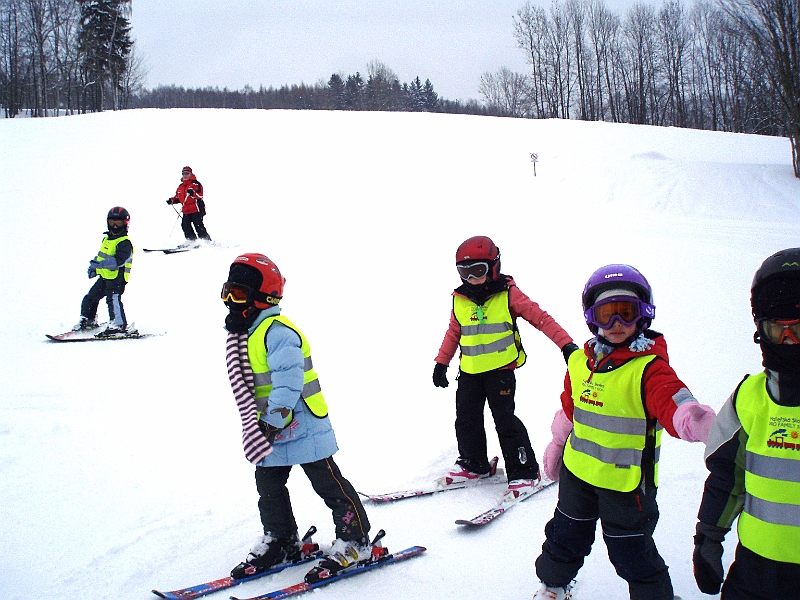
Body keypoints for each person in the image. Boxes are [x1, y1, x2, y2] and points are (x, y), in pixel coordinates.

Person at [533, 264, 716, 600]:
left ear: (643, 315)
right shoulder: (580, 363)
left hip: (626, 485)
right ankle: (553, 583)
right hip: (577, 476)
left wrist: (699, 422)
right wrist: (558, 444)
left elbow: (674, 401)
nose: (616, 324)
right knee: (564, 536)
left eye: (626, 313)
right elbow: (570, 411)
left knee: (632, 552)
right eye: (606, 315)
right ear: (592, 319)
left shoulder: (649, 369)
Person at [222, 253, 382, 585]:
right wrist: (267, 423)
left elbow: (289, 382)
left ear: (263, 298)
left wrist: (272, 420)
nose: (230, 303)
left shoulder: (278, 332)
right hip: (270, 426)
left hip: (301, 424)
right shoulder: (248, 333)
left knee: (328, 483)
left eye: (238, 295)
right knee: (268, 486)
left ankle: (355, 540)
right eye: (227, 293)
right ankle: (281, 539)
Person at [432, 235, 578, 498]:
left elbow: (541, 319)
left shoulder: (508, 294)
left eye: (478, 270)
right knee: (466, 418)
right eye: (464, 272)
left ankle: (524, 471)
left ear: (494, 267)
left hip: (500, 372)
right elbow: (454, 332)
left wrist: (565, 344)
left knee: (505, 420)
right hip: (469, 372)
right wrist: (442, 363)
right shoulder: (460, 299)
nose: (471, 278)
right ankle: (473, 463)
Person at [693, 248, 800, 599]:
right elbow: (727, 477)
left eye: (799, 328)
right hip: (755, 571)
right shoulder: (749, 398)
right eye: (777, 329)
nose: (788, 340)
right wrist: (709, 536)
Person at [74, 206, 135, 337]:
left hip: (117, 278)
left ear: (125, 223)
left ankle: (118, 325)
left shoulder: (124, 243)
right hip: (105, 276)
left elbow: (119, 260)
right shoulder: (107, 239)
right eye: (112, 222)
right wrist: (93, 268)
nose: (115, 226)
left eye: (118, 223)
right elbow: (101, 256)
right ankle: (88, 320)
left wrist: (100, 265)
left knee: (112, 299)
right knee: (91, 297)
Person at [166, 165, 211, 244]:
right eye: (183, 173)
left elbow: (200, 195)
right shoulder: (181, 186)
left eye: (187, 173)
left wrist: (192, 193)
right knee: (185, 225)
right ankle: (192, 241)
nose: (185, 175)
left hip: (196, 209)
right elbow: (178, 197)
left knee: (198, 225)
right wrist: (172, 200)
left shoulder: (196, 184)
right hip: (186, 210)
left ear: (191, 174)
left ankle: (206, 241)